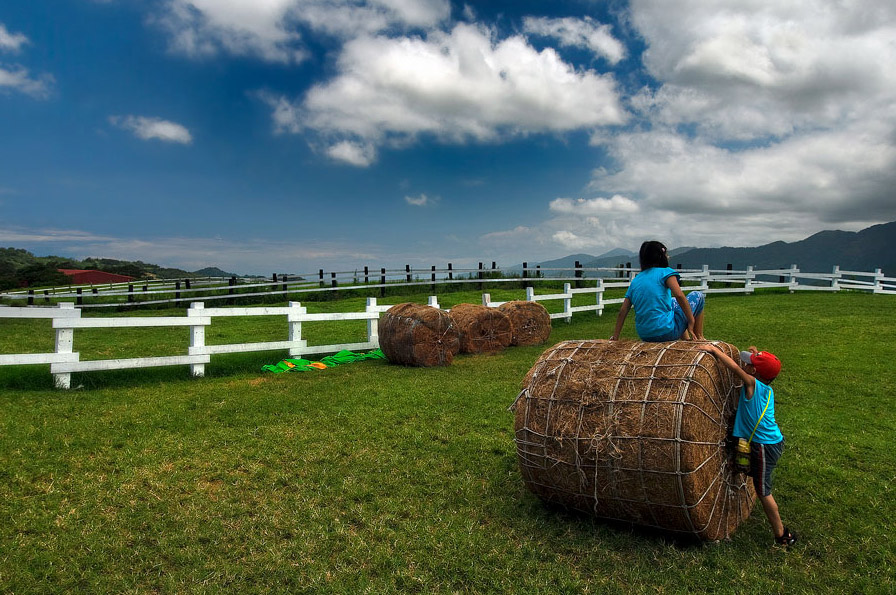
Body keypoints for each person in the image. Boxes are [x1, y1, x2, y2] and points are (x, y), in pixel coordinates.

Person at [698, 343, 798, 547]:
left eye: (750, 364)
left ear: (753, 372)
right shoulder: (765, 387)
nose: (745, 363)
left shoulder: (751, 384)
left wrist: (715, 352)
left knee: (762, 491)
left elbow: (735, 369)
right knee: (742, 460)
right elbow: (747, 367)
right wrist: (755, 356)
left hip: (764, 446)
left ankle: (781, 535)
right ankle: (741, 467)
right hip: (765, 441)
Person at [610, 241, 705, 342]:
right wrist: (691, 320)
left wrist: (615, 337)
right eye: (666, 254)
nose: (668, 257)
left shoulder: (636, 280)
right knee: (698, 295)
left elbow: (623, 311)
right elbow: (679, 295)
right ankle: (699, 337)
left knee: (672, 302)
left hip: (645, 335)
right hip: (667, 331)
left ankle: (686, 340)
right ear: (661, 256)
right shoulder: (666, 272)